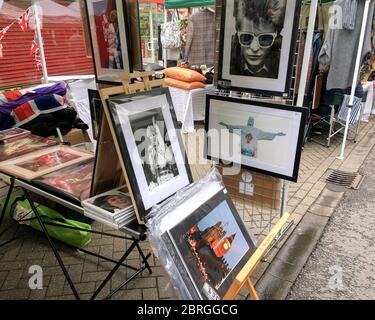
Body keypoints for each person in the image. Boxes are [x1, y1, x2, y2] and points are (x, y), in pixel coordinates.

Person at [230, 0, 286, 79]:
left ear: (276, 36)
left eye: (265, 38)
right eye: (246, 37)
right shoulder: (229, 62)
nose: (254, 48)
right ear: (237, 32)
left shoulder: (282, 66)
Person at [219, 116, 286, 158]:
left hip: (251, 152)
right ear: (248, 121)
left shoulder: (257, 131)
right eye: (250, 120)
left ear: (253, 122)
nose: (250, 121)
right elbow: (234, 127)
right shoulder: (243, 128)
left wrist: (276, 134)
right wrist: (226, 125)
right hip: (243, 151)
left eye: (252, 120)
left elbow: (266, 134)